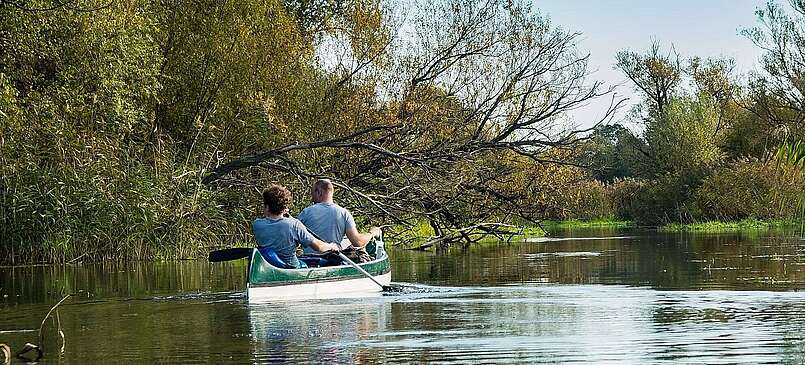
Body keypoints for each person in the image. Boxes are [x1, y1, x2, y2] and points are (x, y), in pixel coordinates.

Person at [253, 184, 340, 268]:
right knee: (323, 262)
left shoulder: (257, 224)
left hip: (270, 265)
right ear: (284, 208)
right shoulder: (293, 224)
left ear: (267, 207)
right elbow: (319, 247)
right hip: (291, 266)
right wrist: (331, 246)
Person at [298, 179, 381, 256]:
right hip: (334, 260)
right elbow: (358, 242)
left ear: (319, 192)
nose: (312, 197)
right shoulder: (344, 213)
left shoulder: (305, 213)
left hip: (310, 260)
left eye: (312, 194)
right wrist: (372, 233)